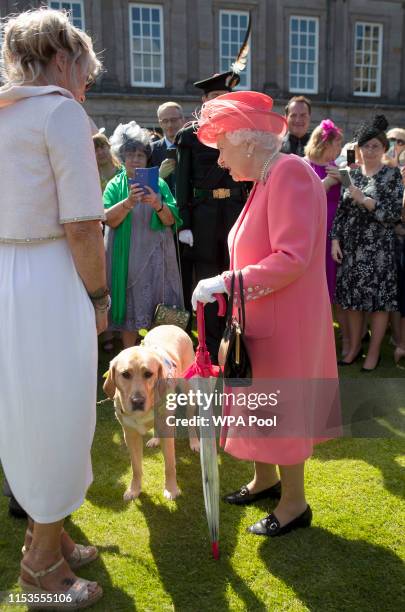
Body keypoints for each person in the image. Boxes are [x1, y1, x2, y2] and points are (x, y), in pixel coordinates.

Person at [192, 91, 339, 537]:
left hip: (286, 322)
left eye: (222, 146)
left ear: (249, 142)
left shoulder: (289, 172)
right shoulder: (267, 178)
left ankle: (295, 505)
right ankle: (266, 479)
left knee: (283, 410)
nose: (219, 159)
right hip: (259, 319)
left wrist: (226, 282)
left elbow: (292, 257)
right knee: (260, 406)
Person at [0, 7, 106, 607]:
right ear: (64, 61)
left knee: (26, 407)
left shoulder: (6, 112)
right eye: (85, 71)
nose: (86, 84)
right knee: (60, 413)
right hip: (48, 273)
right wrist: (99, 295)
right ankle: (39, 568)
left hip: (7, 274)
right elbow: (84, 227)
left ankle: (53, 536)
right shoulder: (61, 112)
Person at [175, 71, 250, 361]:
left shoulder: (241, 133)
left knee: (235, 279)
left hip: (234, 214)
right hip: (203, 219)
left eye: (224, 98)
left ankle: (236, 343)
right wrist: (184, 222)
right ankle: (208, 346)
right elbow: (182, 182)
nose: (220, 103)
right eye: (214, 98)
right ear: (204, 101)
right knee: (206, 281)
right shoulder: (188, 136)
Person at [331, 115, 403, 370]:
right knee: (351, 300)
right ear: (358, 149)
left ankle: (373, 354)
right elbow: (341, 210)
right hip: (351, 247)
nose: (370, 150)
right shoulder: (350, 174)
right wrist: (335, 240)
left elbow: (394, 213)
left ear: (384, 148)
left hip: (379, 248)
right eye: (366, 145)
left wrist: (366, 200)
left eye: (375, 146)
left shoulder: (392, 175)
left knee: (378, 302)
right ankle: (353, 348)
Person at [104, 121, 183, 348]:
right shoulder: (113, 185)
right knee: (130, 311)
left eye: (140, 154)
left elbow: (171, 221)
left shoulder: (158, 184)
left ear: (147, 157)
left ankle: (160, 360)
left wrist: (158, 205)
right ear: (121, 157)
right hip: (126, 259)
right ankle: (129, 357)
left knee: (157, 309)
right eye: (130, 154)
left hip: (157, 258)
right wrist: (128, 203)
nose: (136, 159)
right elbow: (108, 219)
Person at [304, 119, 349, 357]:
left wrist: (343, 179)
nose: (339, 149)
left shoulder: (340, 167)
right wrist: (329, 182)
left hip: (336, 228)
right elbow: (306, 197)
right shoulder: (305, 165)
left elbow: (351, 194)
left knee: (333, 281)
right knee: (316, 279)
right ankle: (315, 335)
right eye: (337, 144)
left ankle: (338, 336)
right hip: (314, 227)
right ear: (325, 144)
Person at [151, 101, 185, 195]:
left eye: (173, 120)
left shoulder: (194, 147)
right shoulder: (150, 150)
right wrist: (159, 176)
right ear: (160, 123)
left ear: (182, 120)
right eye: (165, 121)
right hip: (161, 206)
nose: (170, 125)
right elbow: (144, 188)